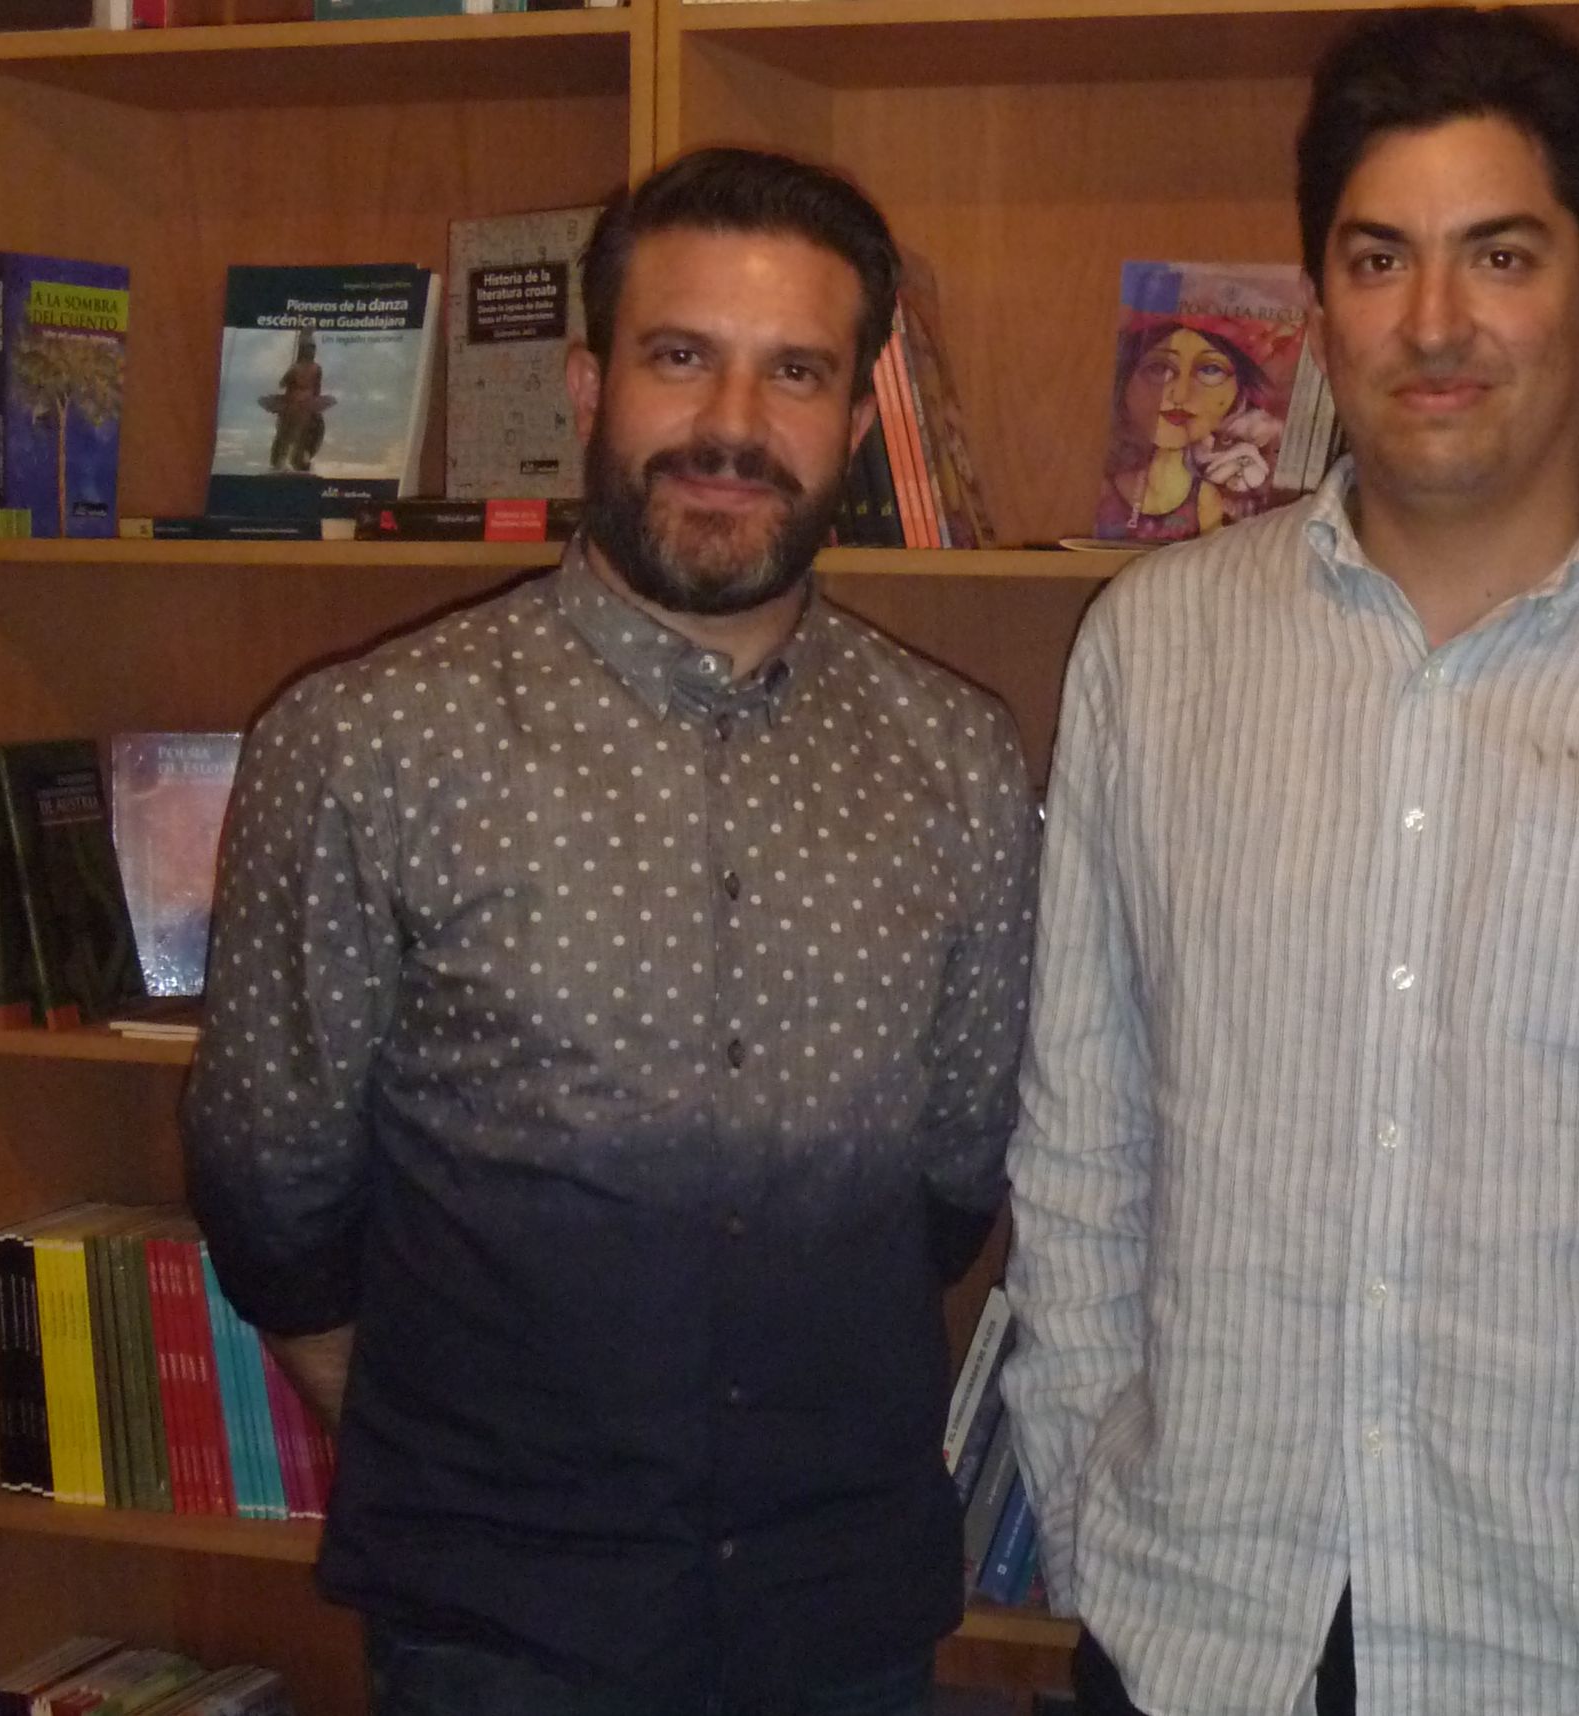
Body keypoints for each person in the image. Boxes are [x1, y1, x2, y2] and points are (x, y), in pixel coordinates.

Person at [1003, 9, 1579, 1716]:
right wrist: (1082, 1510)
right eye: (1379, 259)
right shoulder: (1153, 656)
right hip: (1206, 1635)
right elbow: (1085, 1145)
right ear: (1318, 308)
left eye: (1499, 257)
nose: (1433, 322)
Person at [183, 145, 1041, 1716]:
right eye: (680, 356)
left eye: (795, 372)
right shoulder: (371, 742)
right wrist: (467, 1442)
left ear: (855, 427)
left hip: (838, 1612)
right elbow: (270, 1179)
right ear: (589, 385)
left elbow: (950, 1183)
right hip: (500, 1627)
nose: (733, 424)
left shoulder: (961, 762)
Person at [1097, 315, 1288, 540]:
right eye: (1158, 368)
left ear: (1239, 394)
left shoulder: (1209, 497)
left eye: (1210, 370)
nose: (1180, 395)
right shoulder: (1096, 482)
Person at [263, 327, 331, 472]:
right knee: (289, 434)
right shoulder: (306, 368)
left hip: (300, 405)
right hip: (299, 404)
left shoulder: (301, 368)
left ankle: (297, 460)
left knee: (303, 434)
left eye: (312, 349)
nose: (311, 352)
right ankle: (283, 461)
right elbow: (314, 388)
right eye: (309, 349)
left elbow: (283, 384)